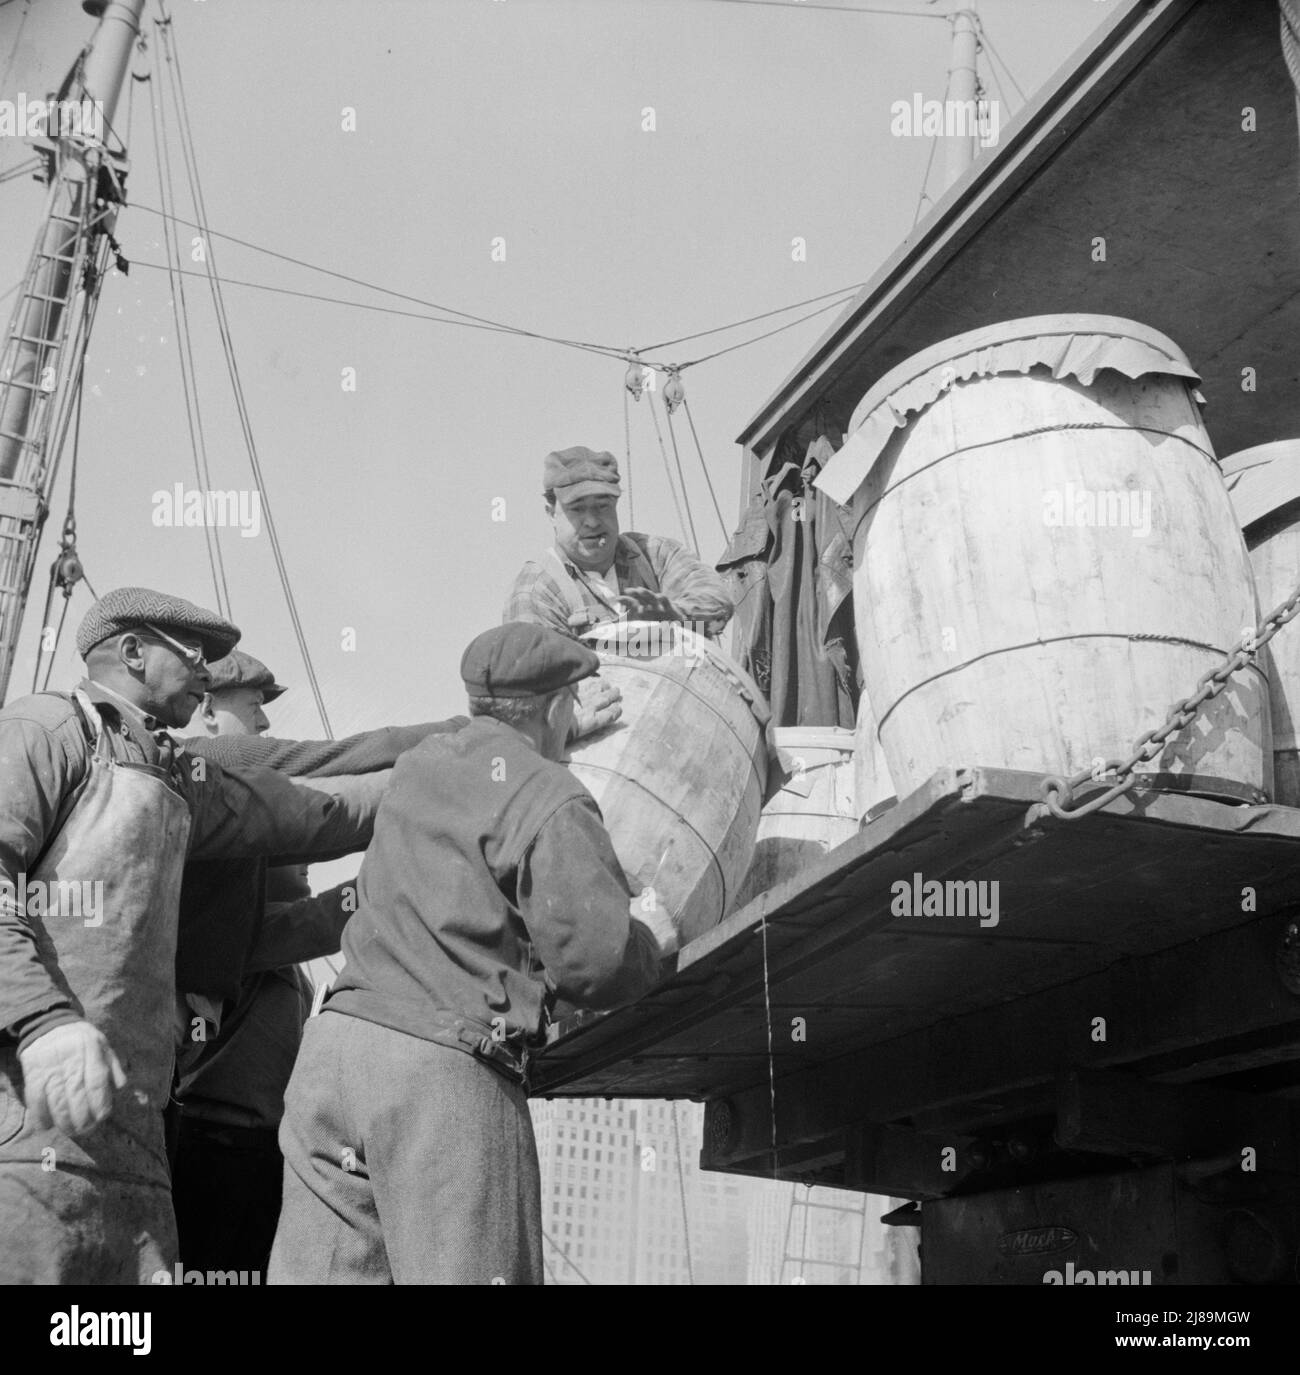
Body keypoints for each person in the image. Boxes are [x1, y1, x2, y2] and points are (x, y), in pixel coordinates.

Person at [268, 622, 677, 1285]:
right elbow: (593, 960)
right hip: (440, 1075)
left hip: (331, 1059)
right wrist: (649, 940)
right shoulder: (550, 795)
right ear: (554, 707)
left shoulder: (421, 767)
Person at [0, 588, 382, 1285]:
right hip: (30, 1131)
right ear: (133, 651)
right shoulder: (46, 731)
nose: (208, 670)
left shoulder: (177, 776)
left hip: (138, 1148)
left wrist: (449, 773)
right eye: (193, 654)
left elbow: (315, 812)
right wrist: (41, 1020)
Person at [503, 446, 735, 639]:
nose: (592, 522)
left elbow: (718, 602)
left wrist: (676, 616)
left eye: (602, 506)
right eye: (577, 509)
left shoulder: (655, 555)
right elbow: (533, 675)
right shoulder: (537, 591)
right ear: (551, 512)